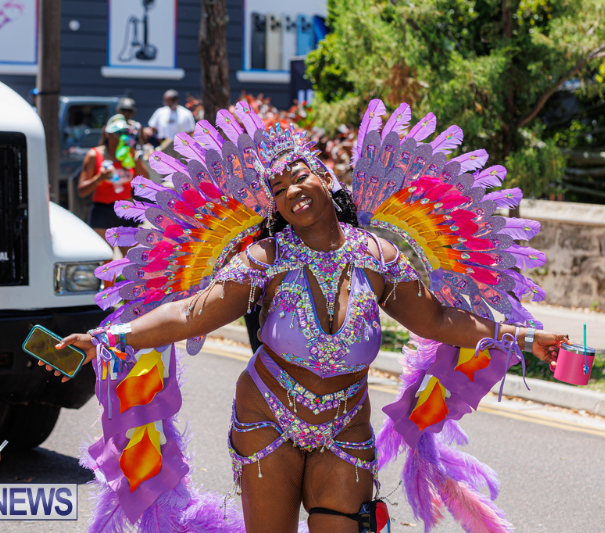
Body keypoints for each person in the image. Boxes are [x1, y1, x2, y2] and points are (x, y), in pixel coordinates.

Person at [43, 100, 568, 533]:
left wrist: (518, 335)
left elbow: (437, 322)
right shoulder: (265, 258)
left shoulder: (379, 257)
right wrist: (111, 337)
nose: (289, 192)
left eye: (297, 177)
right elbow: (190, 312)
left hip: (346, 421)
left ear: (326, 179)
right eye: (276, 189)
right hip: (266, 415)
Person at [77, 114, 150, 246]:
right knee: (106, 262)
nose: (123, 136)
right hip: (103, 212)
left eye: (126, 132)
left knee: (131, 261)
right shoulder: (95, 155)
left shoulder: (130, 155)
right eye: (118, 132)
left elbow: (145, 181)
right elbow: (81, 191)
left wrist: (134, 156)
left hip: (126, 210)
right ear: (109, 134)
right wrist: (99, 178)